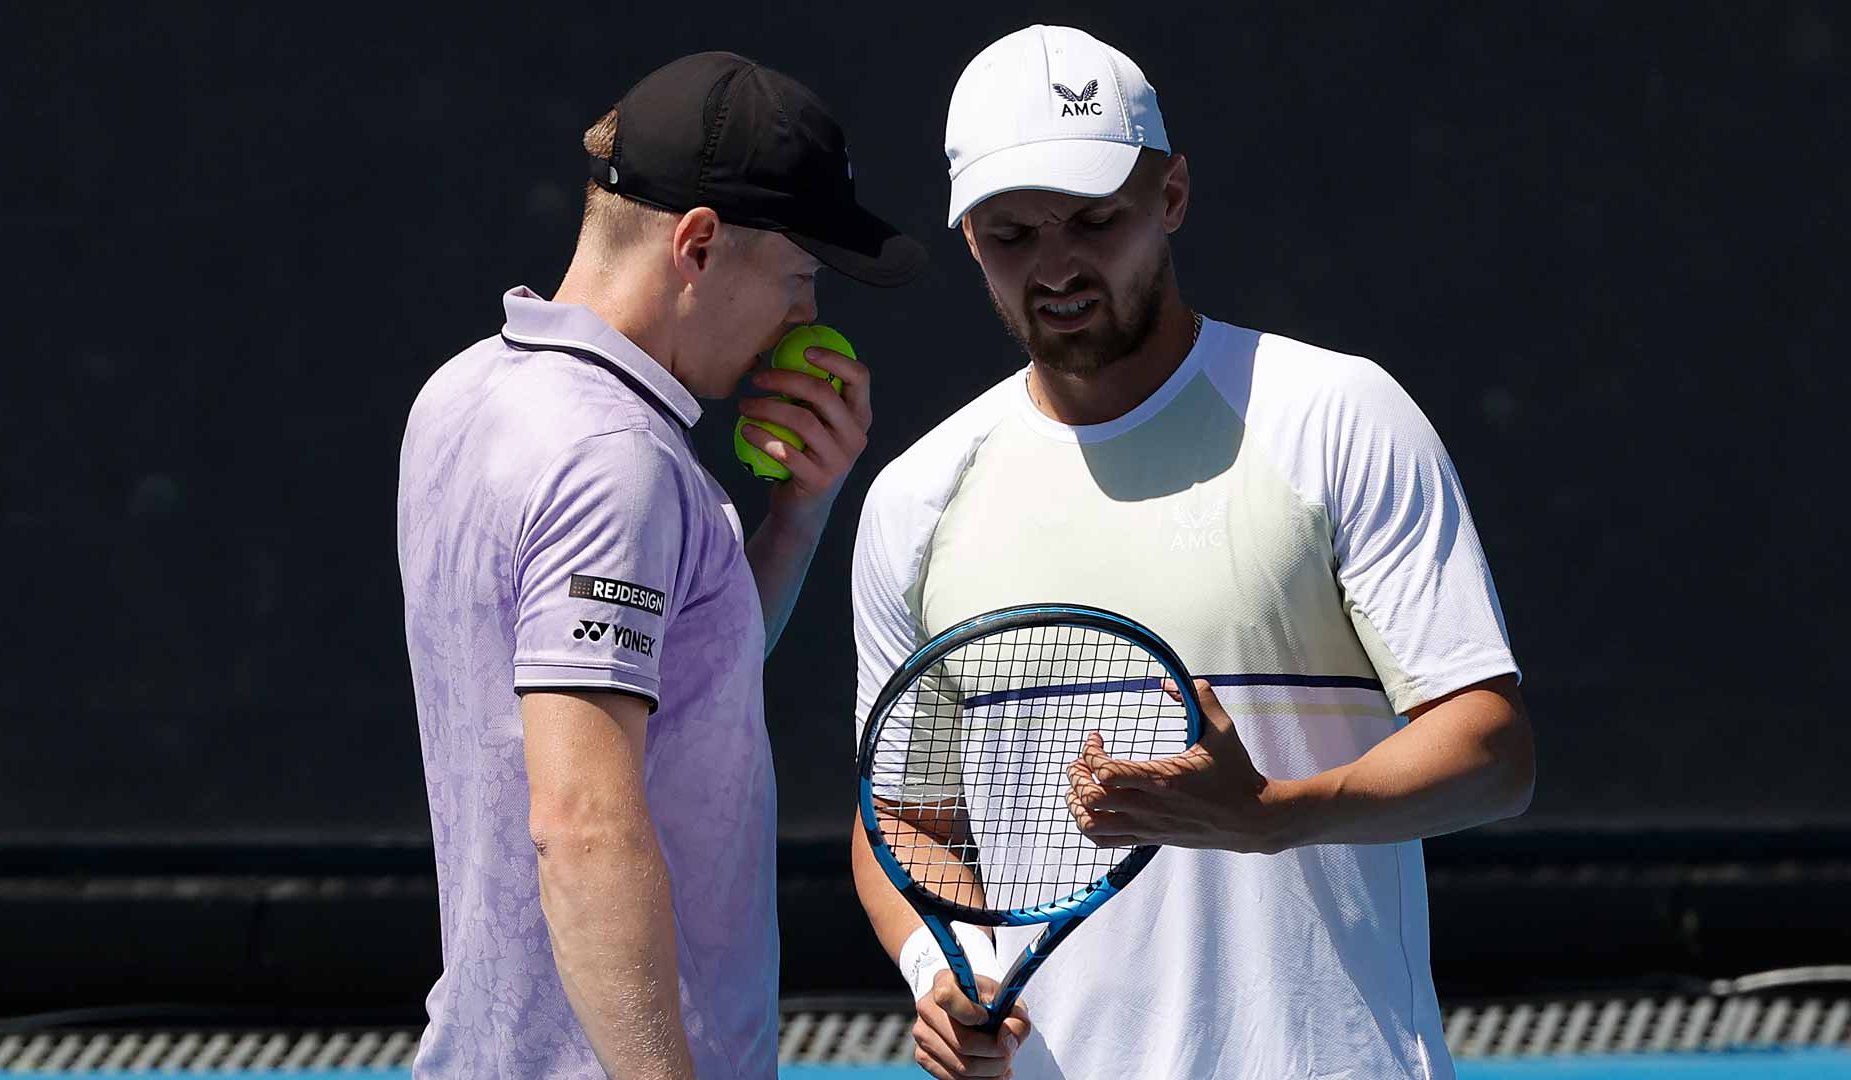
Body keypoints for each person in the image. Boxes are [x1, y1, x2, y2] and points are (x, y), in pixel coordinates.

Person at [850, 25, 1534, 1080]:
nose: (1058, 265)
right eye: (1011, 234)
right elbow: (903, 821)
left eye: (1095, 220)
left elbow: (1492, 753)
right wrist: (936, 973)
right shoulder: (917, 499)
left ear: (1171, 197)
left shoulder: (1337, 416)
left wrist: (1273, 817)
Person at [397, 52, 923, 1080]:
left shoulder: (461, 394)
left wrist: (797, 520)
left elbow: (671, 681)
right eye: (800, 278)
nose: (807, 322)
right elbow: (583, 825)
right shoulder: (615, 466)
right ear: (698, 243)